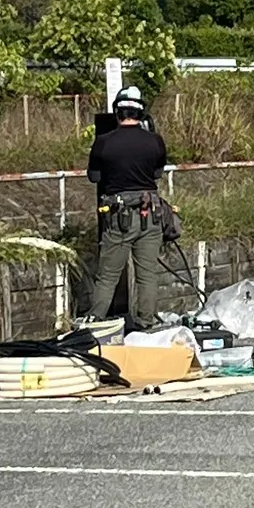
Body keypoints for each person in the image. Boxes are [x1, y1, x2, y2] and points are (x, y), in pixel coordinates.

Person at [84, 85, 168, 328]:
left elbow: (94, 176)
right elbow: (157, 172)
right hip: (150, 213)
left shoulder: (103, 142)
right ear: (141, 114)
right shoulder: (155, 141)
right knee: (147, 274)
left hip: (118, 216)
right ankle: (145, 323)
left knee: (109, 274)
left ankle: (96, 322)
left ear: (117, 113)